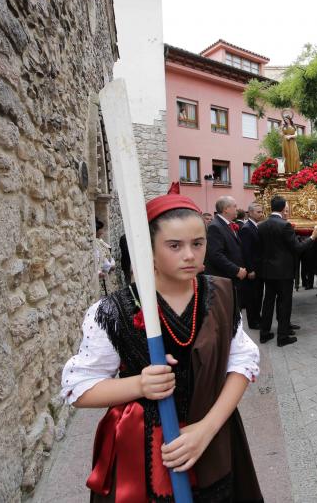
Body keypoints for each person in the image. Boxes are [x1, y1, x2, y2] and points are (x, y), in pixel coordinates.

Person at [60, 184, 263, 501]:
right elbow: (79, 388)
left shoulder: (221, 294)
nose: (189, 255)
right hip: (145, 452)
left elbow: (243, 362)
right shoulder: (114, 310)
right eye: (174, 245)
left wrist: (206, 429)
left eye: (198, 243)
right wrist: (139, 385)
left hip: (213, 436)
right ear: (148, 249)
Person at [258, 196, 317, 346]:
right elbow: (297, 248)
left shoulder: (261, 225)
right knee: (284, 303)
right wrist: (313, 237)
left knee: (268, 302)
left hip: (267, 270)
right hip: (283, 271)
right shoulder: (285, 225)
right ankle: (283, 337)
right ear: (282, 209)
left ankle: (264, 333)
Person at [204, 196, 247, 289]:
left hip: (231, 277)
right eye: (235, 206)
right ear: (226, 209)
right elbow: (216, 255)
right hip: (223, 278)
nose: (237, 209)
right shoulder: (215, 226)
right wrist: (236, 270)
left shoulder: (227, 224)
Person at [240, 202, 265, 330]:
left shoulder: (254, 226)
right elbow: (246, 251)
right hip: (253, 269)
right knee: (252, 297)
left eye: (261, 212)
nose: (261, 214)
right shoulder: (246, 228)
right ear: (250, 213)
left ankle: (257, 317)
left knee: (258, 295)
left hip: (258, 268)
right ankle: (253, 321)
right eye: (258, 212)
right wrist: (250, 269)